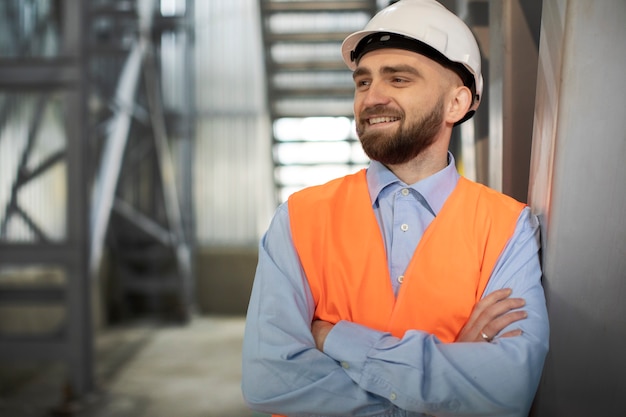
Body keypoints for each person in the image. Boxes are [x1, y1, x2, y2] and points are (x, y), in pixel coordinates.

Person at [241, 0, 549, 416]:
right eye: (363, 82)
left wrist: (335, 339)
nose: (372, 98)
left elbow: (508, 387)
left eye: (399, 79)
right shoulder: (299, 218)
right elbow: (270, 380)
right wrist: (443, 388)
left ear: (456, 104)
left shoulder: (509, 227)